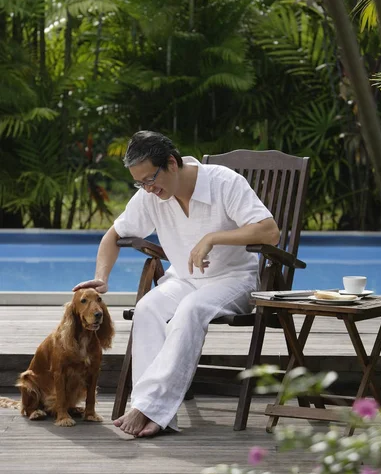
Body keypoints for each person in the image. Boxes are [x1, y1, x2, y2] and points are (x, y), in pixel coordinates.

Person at [73, 131, 280, 437]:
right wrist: (102, 277)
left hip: (236, 281)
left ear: (171, 163)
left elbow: (269, 231)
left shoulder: (224, 182)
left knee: (190, 310)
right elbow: (112, 236)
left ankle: (147, 408)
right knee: (147, 308)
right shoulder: (151, 195)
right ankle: (158, 414)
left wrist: (213, 237)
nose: (147, 188)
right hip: (185, 279)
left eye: (150, 179)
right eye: (139, 183)